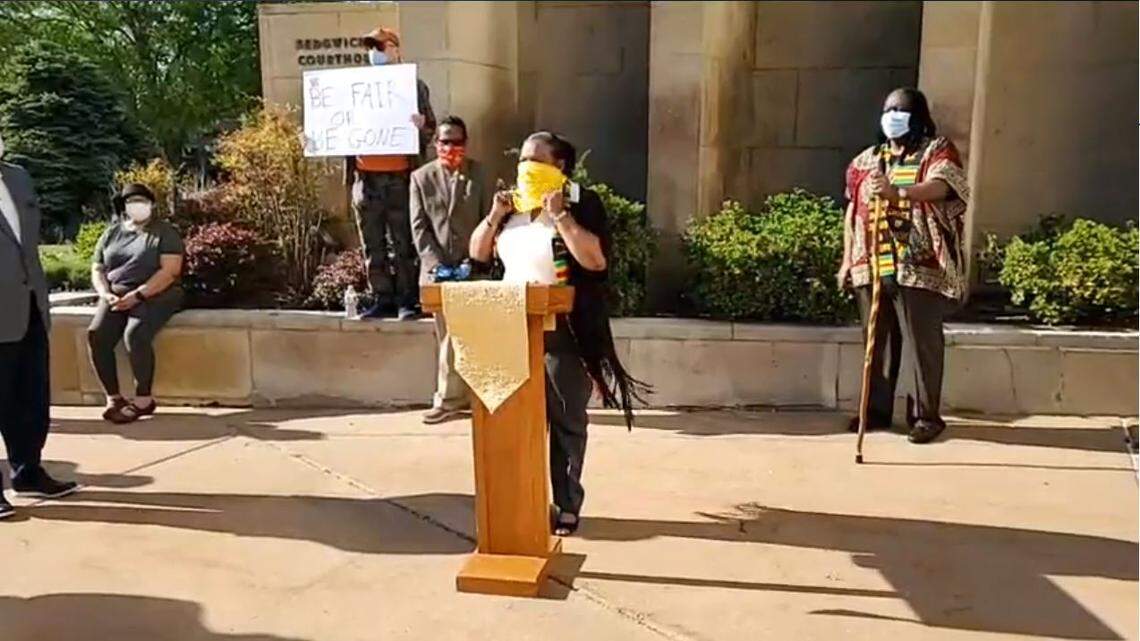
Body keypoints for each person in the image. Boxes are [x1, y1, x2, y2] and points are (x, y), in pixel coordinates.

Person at [469, 131, 648, 535]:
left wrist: (561, 215)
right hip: (511, 328)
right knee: (513, 421)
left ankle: (566, 504)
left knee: (566, 420)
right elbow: (478, 254)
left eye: (534, 160)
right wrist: (495, 215)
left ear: (559, 167)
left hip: (564, 331)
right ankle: (521, 502)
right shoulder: (513, 205)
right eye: (521, 160)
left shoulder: (583, 203)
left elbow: (595, 260)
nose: (524, 168)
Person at [837, 87, 970, 444]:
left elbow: (944, 186)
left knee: (921, 341)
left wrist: (900, 193)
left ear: (918, 116)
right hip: (872, 262)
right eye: (888, 110)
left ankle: (926, 416)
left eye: (900, 110)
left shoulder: (935, 150)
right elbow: (852, 210)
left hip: (917, 262)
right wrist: (847, 258)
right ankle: (876, 411)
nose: (892, 116)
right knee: (875, 341)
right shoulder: (867, 160)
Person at [0, 134, 78, 519]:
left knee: (30, 396)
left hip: (29, 306)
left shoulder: (18, 178)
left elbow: (27, 245)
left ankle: (27, 471)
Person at [346, 26, 436, 320]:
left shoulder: (414, 87)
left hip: (401, 177)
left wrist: (421, 125)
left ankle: (407, 300)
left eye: (382, 47)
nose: (376, 53)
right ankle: (381, 298)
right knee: (372, 243)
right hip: (365, 179)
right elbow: (337, 127)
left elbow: (432, 130)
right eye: (372, 47)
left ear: (396, 49)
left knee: (403, 242)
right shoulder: (352, 87)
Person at [410, 116, 488, 424]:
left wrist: (478, 260)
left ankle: (470, 398)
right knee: (448, 337)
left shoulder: (480, 174)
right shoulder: (420, 178)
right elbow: (419, 228)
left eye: (457, 141)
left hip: (475, 268)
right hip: (438, 272)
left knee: (473, 336)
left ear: (465, 144)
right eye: (445, 141)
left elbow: (489, 219)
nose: (451, 147)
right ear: (435, 144)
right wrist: (436, 265)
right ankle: (448, 399)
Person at [88, 183, 184, 424]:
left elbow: (170, 271)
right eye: (131, 201)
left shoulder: (165, 232)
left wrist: (138, 295)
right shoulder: (111, 233)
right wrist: (105, 293)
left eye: (142, 200)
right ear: (123, 207)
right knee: (97, 334)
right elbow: (98, 268)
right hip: (116, 293)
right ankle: (114, 397)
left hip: (157, 292)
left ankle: (143, 399)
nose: (137, 205)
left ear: (151, 204)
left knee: (135, 333)